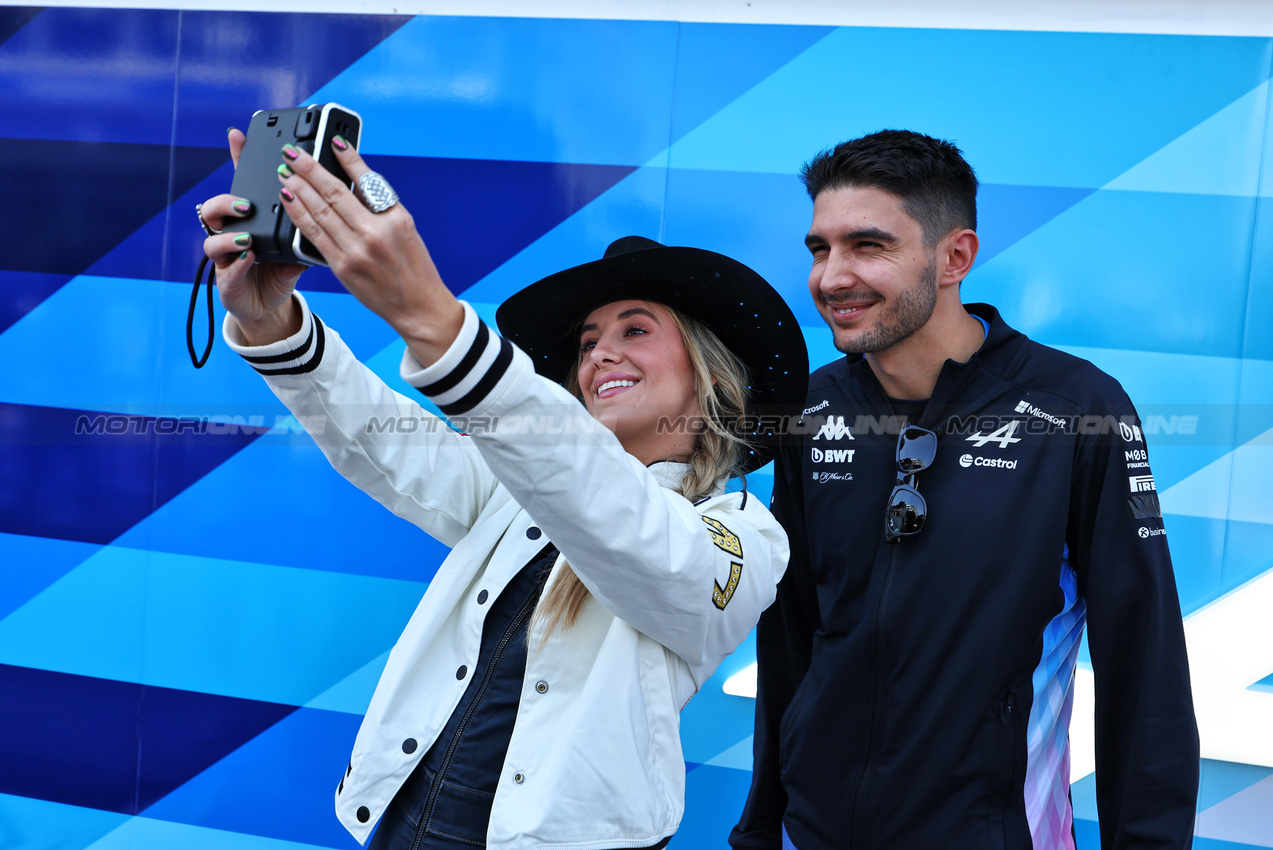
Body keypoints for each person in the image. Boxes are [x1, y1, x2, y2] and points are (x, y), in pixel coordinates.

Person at [197, 132, 807, 849]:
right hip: (402, 826)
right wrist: (273, 325)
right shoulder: (522, 483)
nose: (600, 352)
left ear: (705, 370)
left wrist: (432, 317)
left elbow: (632, 530)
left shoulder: (741, 532)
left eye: (634, 330)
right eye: (585, 344)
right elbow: (382, 438)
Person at [730, 130, 1199, 850]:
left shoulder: (1075, 408)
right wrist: (763, 828)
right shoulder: (809, 408)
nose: (830, 277)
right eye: (819, 249)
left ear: (955, 257)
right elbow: (790, 642)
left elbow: (1144, 664)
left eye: (867, 246)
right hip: (814, 834)